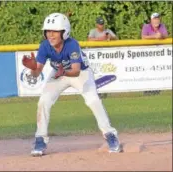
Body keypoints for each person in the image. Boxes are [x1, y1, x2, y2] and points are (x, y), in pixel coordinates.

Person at [22, 13, 121, 157]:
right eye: (48, 31)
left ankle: (110, 134)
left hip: (80, 74)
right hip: (59, 73)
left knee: (93, 101)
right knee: (43, 101)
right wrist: (32, 68)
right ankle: (40, 139)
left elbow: (75, 71)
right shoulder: (44, 46)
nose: (50, 35)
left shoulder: (72, 44)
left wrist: (63, 72)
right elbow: (36, 73)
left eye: (55, 31)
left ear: (65, 32)